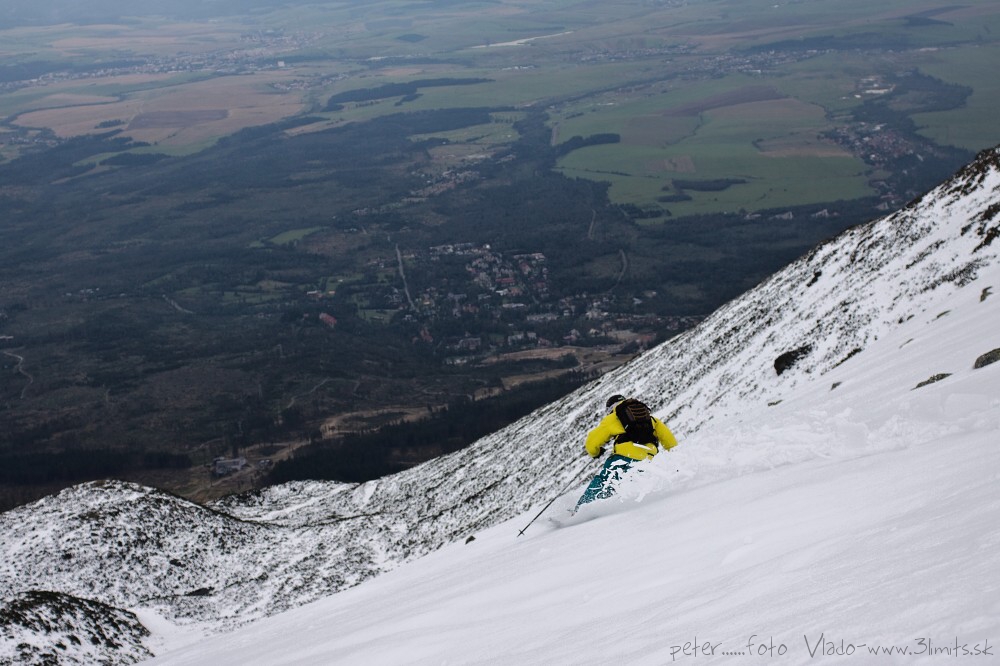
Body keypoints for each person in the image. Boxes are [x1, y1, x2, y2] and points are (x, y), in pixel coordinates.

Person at [574, 393, 678, 512]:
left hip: (623, 458)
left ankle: (581, 510)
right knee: (635, 484)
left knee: (604, 482)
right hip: (649, 461)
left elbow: (591, 443)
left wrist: (596, 453)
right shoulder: (650, 418)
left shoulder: (612, 418)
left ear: (610, 409)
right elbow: (670, 441)